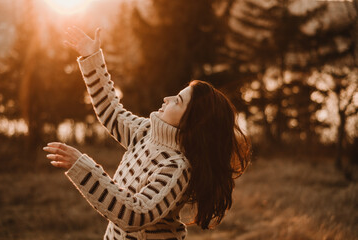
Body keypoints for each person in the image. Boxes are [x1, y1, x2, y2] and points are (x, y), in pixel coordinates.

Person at [43, 26, 251, 240]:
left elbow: (135, 214)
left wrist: (84, 168)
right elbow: (111, 111)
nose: (166, 99)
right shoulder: (146, 133)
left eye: (177, 102)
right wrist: (91, 57)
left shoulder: (176, 168)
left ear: (191, 123)